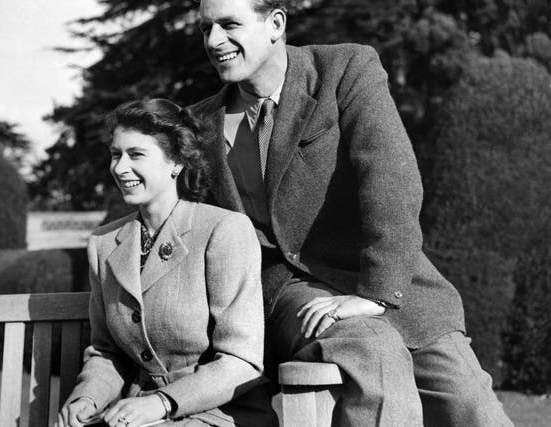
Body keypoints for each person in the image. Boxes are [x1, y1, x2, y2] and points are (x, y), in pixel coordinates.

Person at [189, 0, 514, 426]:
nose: (214, 41)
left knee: (474, 408)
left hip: (391, 286)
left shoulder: (344, 70)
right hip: (290, 293)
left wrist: (374, 294)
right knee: (371, 351)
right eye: (205, 28)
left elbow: (389, 180)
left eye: (229, 25)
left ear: (276, 23)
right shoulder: (198, 125)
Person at [57, 99, 277, 427]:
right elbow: (107, 352)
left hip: (222, 413)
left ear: (174, 161)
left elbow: (241, 360)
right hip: (135, 415)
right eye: (116, 154)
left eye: (136, 155)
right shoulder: (103, 244)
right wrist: (87, 398)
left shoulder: (223, 230)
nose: (119, 168)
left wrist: (162, 403)